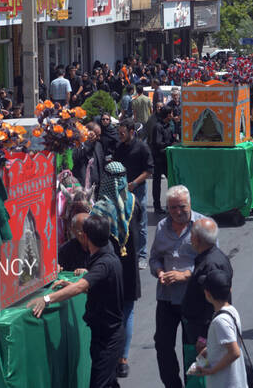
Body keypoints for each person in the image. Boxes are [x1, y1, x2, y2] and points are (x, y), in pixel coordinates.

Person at [28, 214, 124, 388]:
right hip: (104, 333)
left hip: (109, 337)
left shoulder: (103, 263)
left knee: (100, 384)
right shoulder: (107, 254)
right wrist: (69, 283)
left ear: (85, 236)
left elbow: (80, 287)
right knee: (109, 383)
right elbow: (94, 287)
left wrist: (47, 298)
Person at [149, 185, 205, 388]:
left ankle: (195, 385)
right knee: (163, 346)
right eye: (172, 208)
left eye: (181, 207)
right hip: (166, 298)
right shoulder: (163, 226)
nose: (177, 212)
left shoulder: (202, 225)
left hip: (192, 300)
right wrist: (160, 272)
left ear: (190, 204)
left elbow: (212, 264)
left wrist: (185, 275)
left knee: (192, 348)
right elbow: (154, 258)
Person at [91, 161, 143, 379]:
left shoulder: (99, 209)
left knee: (110, 314)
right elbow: (139, 234)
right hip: (130, 266)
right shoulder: (134, 202)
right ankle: (123, 360)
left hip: (107, 268)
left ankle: (110, 358)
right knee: (127, 312)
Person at [182, 218, 233, 348]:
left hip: (205, 334)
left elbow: (215, 304)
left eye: (192, 235)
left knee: (206, 367)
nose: (190, 238)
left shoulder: (211, 265)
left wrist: (204, 337)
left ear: (198, 239)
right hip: (200, 329)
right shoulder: (210, 258)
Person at [192, 270, 248, 388]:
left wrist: (212, 370)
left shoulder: (220, 321)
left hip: (225, 382)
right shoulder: (230, 311)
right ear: (230, 290)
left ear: (207, 294)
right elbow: (224, 345)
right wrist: (204, 355)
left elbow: (234, 352)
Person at [114, 119, 153, 267]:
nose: (120, 136)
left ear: (131, 132)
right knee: (122, 220)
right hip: (122, 189)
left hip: (138, 189)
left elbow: (149, 171)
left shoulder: (142, 148)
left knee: (141, 222)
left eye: (122, 133)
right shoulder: (119, 147)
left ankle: (142, 255)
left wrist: (135, 183)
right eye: (119, 133)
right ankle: (125, 251)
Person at [150, 106, 175, 215]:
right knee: (157, 183)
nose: (172, 116)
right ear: (167, 114)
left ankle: (171, 205)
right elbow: (158, 143)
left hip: (166, 159)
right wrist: (169, 144)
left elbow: (172, 140)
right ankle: (157, 206)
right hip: (157, 158)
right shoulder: (158, 127)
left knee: (173, 181)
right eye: (171, 113)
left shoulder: (169, 127)